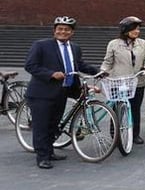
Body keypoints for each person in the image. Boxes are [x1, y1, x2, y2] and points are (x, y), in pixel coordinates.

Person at [24, 16, 99, 169]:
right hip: (41, 93)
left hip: (62, 92)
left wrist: (99, 71)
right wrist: (51, 74)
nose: (62, 32)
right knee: (42, 126)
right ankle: (42, 157)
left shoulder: (75, 48)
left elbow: (79, 65)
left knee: (53, 125)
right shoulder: (41, 45)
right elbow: (30, 66)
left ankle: (50, 151)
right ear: (54, 30)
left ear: (72, 32)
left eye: (66, 30)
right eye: (60, 29)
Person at [101, 16, 145, 144]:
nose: (137, 31)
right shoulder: (114, 44)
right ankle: (115, 135)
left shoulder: (143, 43)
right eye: (134, 29)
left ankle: (135, 134)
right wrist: (103, 71)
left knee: (135, 109)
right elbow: (107, 62)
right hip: (119, 81)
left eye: (138, 29)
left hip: (138, 81)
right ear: (125, 29)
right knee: (117, 109)